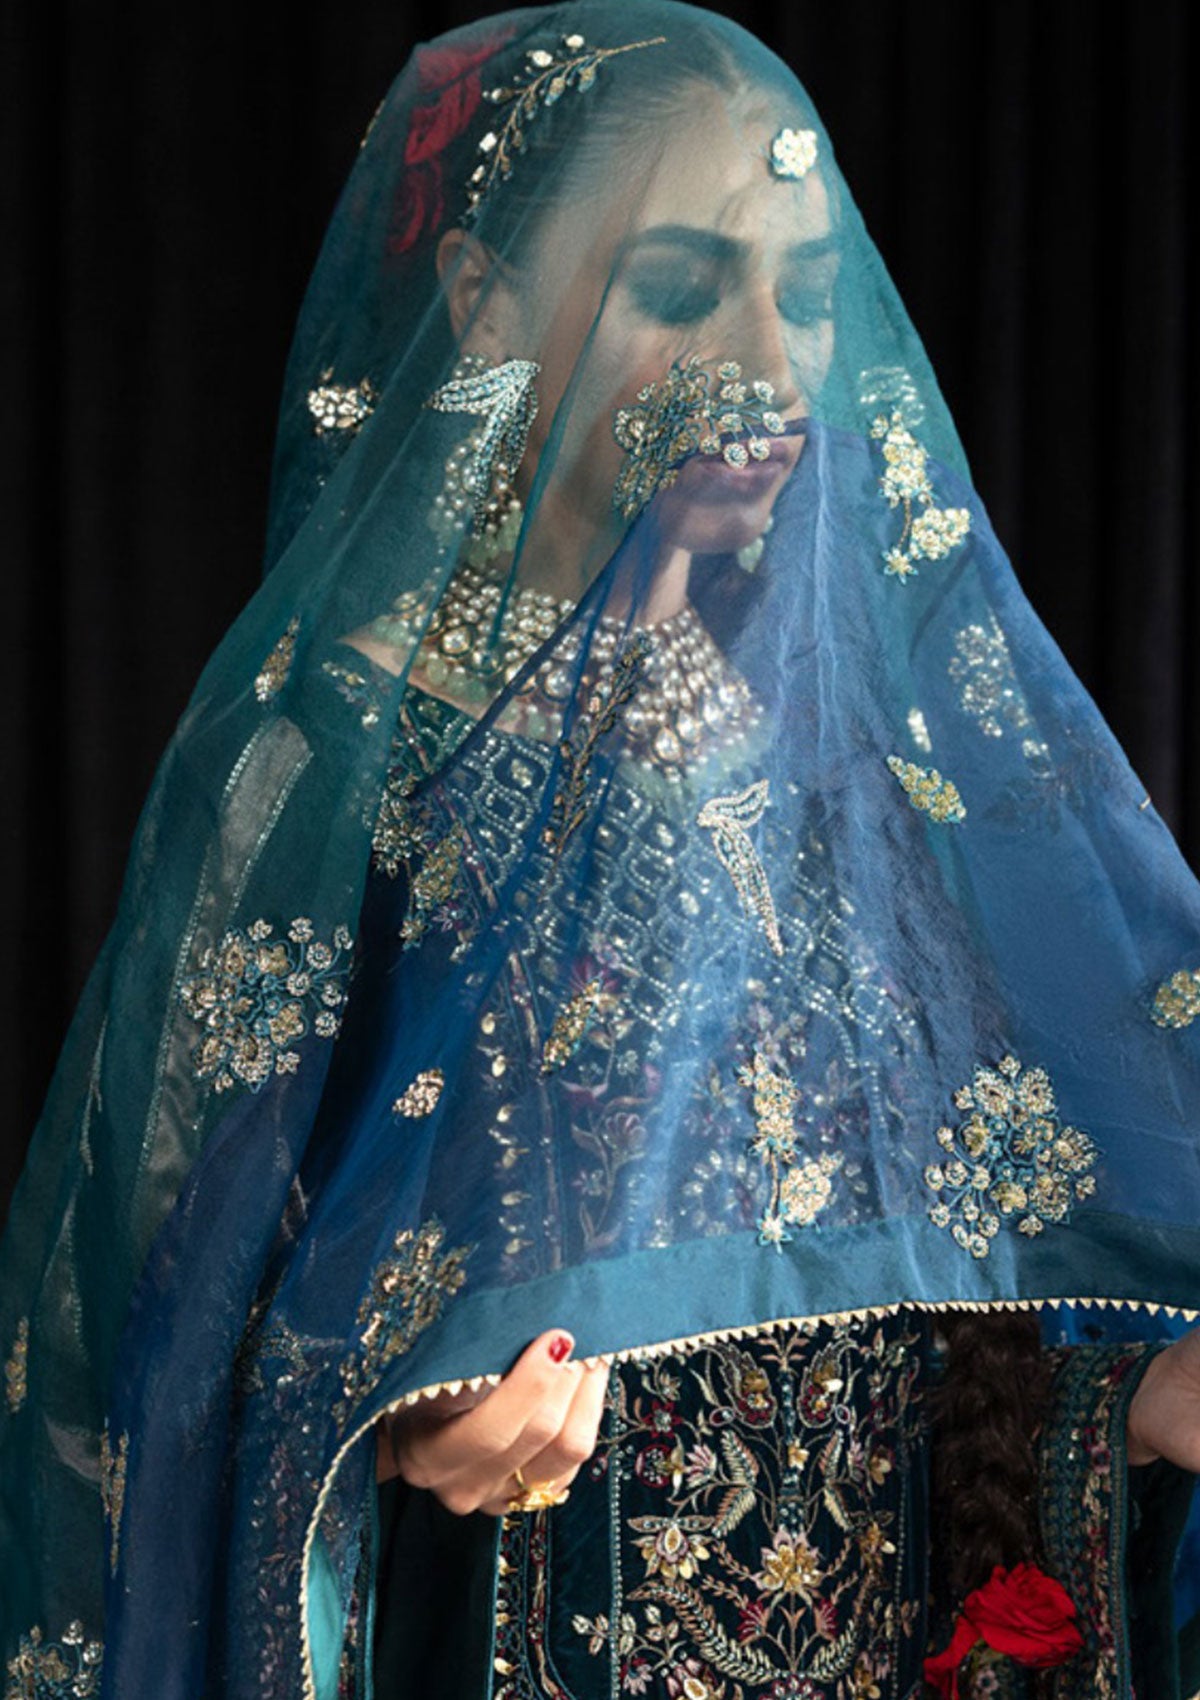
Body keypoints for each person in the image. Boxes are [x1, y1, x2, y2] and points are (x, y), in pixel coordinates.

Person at [2, 5, 1199, 1698]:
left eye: (802, 297)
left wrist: (1128, 1406)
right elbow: (154, 1350)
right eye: (681, 288)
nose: (768, 373)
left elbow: (908, 1314)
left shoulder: (848, 786)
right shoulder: (341, 765)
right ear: (487, 301)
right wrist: (399, 1427)